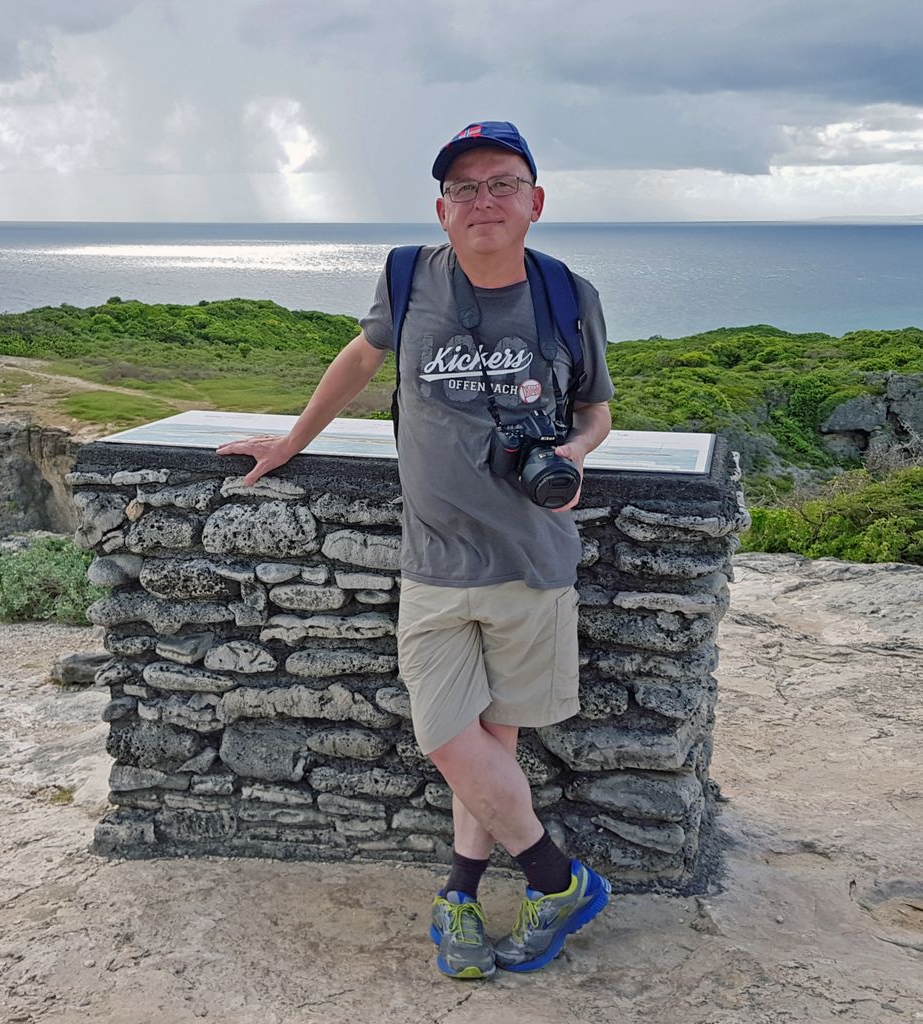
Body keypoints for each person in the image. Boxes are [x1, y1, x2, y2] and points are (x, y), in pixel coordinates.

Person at [217, 121, 615, 979]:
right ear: (442, 210)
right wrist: (291, 441)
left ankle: (460, 896)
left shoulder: (567, 293)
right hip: (433, 561)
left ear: (536, 202)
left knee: (493, 745)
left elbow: (595, 409)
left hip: (532, 557)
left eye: (502, 183)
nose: (483, 200)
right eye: (464, 187)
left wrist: (576, 454)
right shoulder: (408, 277)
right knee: (446, 737)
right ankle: (558, 879)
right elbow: (361, 359)